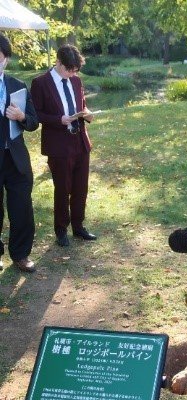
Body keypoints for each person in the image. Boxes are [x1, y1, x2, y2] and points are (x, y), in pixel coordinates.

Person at [31, 44, 96, 248]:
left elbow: (81, 104)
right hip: (59, 145)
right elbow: (36, 114)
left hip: (80, 141)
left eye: (75, 70)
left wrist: (87, 113)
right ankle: (61, 230)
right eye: (69, 69)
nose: (72, 74)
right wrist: (59, 120)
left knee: (81, 187)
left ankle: (78, 226)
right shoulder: (40, 83)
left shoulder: (76, 80)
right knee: (62, 188)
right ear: (58, 62)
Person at [0, 34, 39, 273]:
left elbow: (34, 122)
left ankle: (21, 254)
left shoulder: (18, 86)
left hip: (16, 159)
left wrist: (21, 117)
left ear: (6, 59)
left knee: (21, 207)